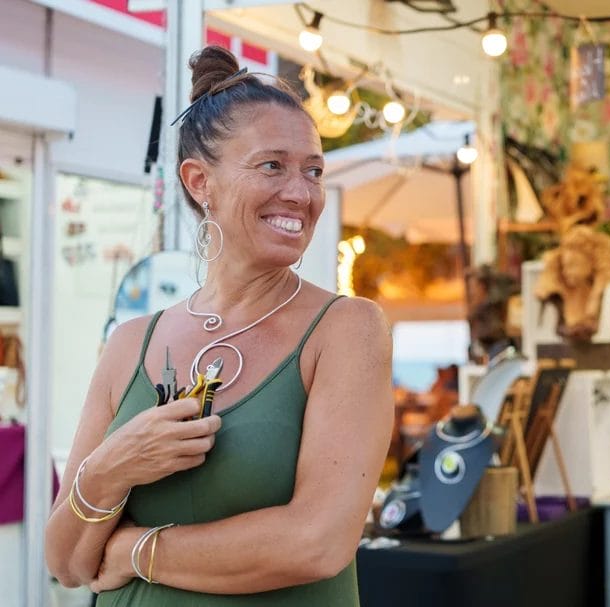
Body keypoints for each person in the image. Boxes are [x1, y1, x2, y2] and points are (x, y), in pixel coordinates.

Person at [44, 45, 393, 606]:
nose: (301, 193)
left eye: (314, 171)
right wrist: (113, 467)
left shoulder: (346, 329)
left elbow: (317, 543)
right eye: (272, 165)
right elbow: (66, 563)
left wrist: (137, 551)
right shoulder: (131, 343)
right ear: (199, 181)